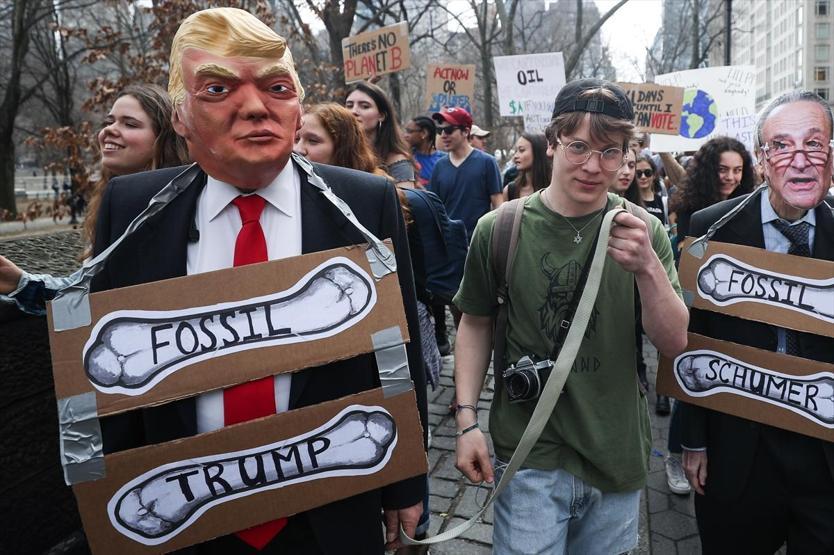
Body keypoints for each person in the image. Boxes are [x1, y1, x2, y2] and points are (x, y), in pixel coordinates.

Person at [90, 9, 426, 554]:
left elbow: (396, 347)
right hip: (184, 519)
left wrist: (406, 482)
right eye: (218, 89)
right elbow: (106, 380)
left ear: (297, 109)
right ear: (180, 116)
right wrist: (112, 499)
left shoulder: (364, 201)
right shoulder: (132, 208)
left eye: (277, 88)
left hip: (330, 511)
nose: (254, 107)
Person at [452, 79, 688, 553]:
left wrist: (647, 267)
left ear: (626, 155)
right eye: (578, 146)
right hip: (530, 454)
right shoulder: (499, 229)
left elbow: (674, 342)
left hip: (615, 453)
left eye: (610, 152)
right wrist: (466, 421)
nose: (593, 166)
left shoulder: (645, 231)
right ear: (553, 141)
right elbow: (475, 323)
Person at [680, 91, 834, 554]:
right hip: (739, 449)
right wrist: (693, 440)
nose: (800, 161)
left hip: (823, 455)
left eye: (814, 144)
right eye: (782, 146)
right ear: (762, 159)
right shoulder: (712, 227)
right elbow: (693, 335)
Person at [0, 84, 188, 314]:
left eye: (130, 124)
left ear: (165, 138)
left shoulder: (184, 208)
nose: (109, 130)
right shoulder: (112, 205)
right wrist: (20, 282)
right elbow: (90, 292)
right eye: (109, 122)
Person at [427, 106, 502, 355]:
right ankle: (464, 352)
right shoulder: (439, 167)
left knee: (478, 305)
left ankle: (482, 350)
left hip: (477, 246)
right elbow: (434, 207)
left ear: (466, 131)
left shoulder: (487, 162)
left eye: (449, 129)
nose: (443, 135)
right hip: (448, 248)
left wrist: (495, 240)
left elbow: (498, 203)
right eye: (440, 130)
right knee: (453, 301)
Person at [345, 81, 416, 186]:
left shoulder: (397, 161)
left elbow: (404, 196)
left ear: (381, 115)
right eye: (349, 106)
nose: (353, 111)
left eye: (365, 106)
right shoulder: (335, 151)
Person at [503, 132, 551, 201]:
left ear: (537, 152)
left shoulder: (557, 188)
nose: (515, 156)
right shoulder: (510, 191)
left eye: (521, 150)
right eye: (516, 151)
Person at [404, 116, 445, 186]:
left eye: (409, 131)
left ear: (424, 133)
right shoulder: (404, 157)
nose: (405, 135)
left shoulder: (443, 160)